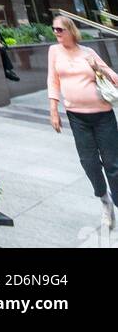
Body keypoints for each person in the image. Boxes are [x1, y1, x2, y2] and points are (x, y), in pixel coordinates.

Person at [48, 14, 118, 230]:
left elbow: (112, 76)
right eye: (54, 30)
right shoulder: (54, 51)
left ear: (71, 30)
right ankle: (104, 199)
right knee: (89, 162)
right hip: (76, 116)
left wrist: (97, 68)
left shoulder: (88, 53)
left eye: (60, 29)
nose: (56, 33)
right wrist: (54, 110)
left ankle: (117, 200)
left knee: (113, 165)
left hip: (102, 115)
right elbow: (53, 79)